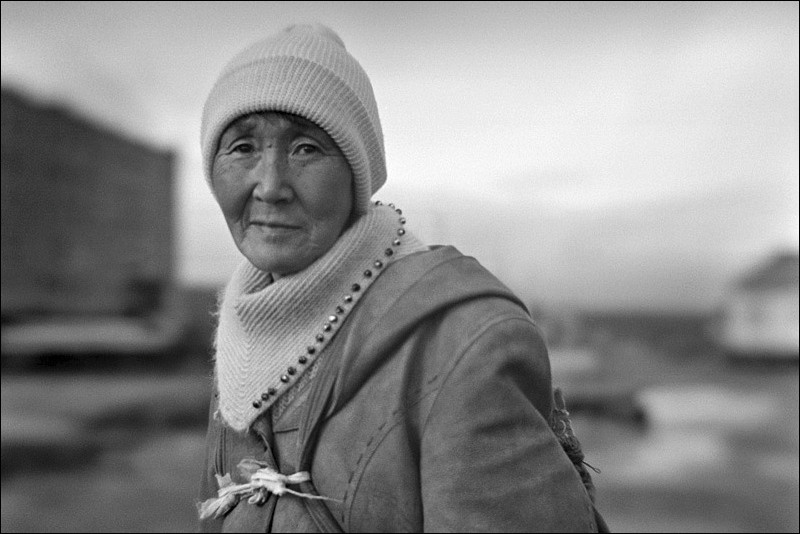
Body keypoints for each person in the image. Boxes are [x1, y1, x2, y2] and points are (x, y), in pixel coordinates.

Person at [197, 23, 607, 533]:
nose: (271, 186)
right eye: (242, 148)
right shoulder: (242, 336)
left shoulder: (463, 343)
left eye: (306, 148)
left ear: (357, 172)